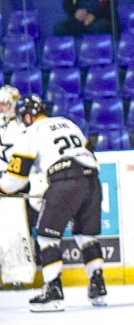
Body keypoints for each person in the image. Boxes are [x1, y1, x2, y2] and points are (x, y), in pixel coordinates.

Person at [0, 94, 107, 312]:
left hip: (65, 180)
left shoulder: (31, 132)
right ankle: (98, 286)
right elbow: (92, 156)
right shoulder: (68, 123)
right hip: (92, 180)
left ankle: (53, 291)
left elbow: (15, 179)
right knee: (85, 235)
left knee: (46, 235)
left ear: (29, 115)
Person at [0, 85, 36, 291]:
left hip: (14, 182)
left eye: (6, 104)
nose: (2, 108)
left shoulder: (23, 127)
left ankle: (19, 274)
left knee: (17, 229)